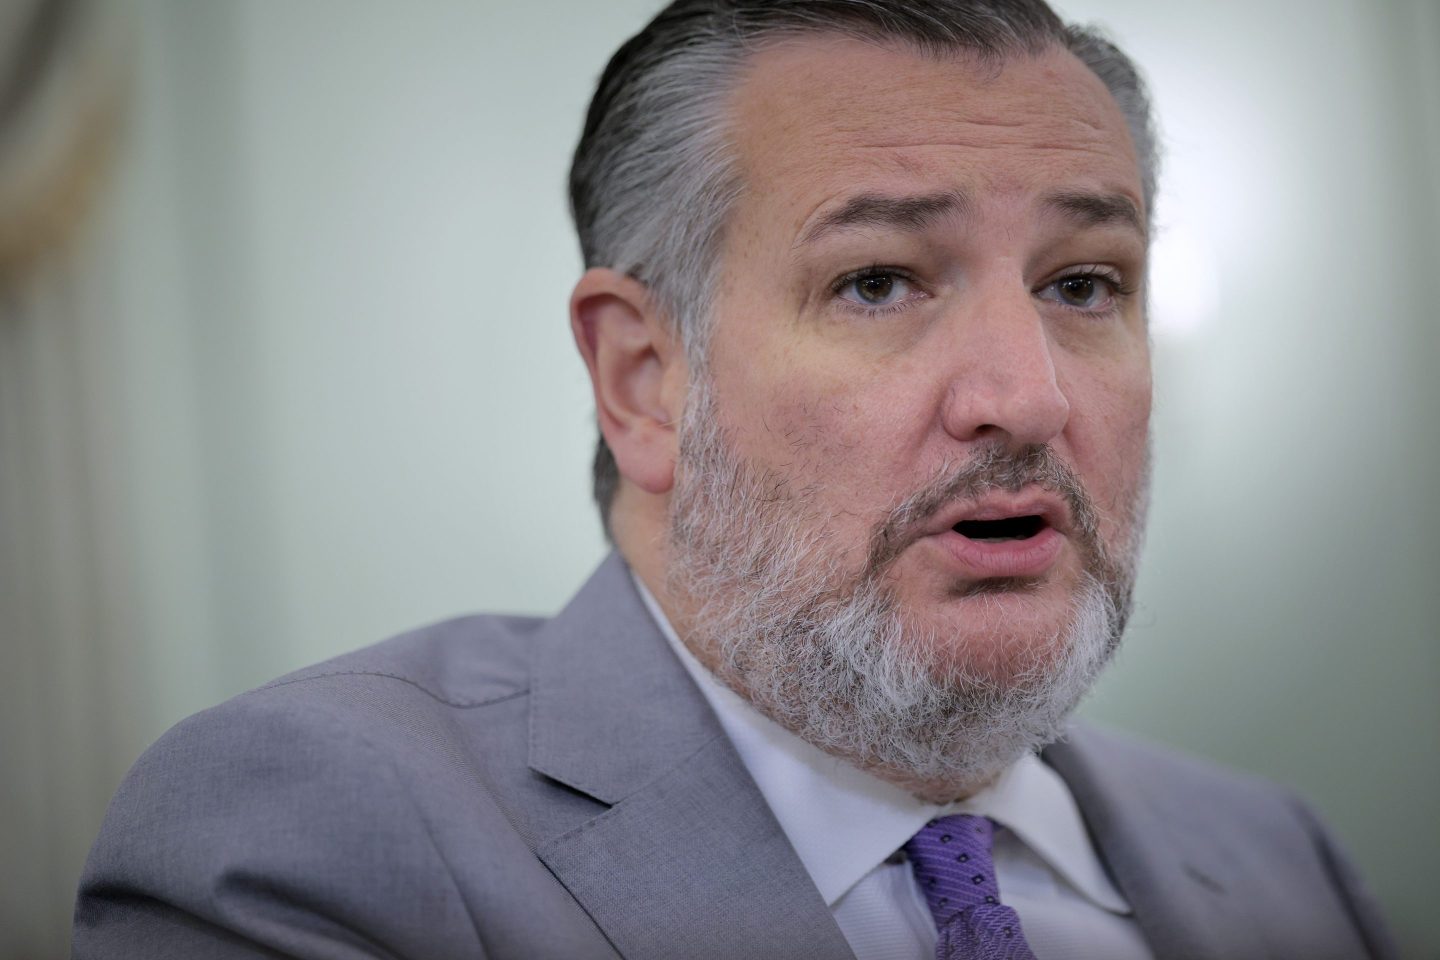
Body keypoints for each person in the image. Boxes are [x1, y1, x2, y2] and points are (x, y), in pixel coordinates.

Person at [73, 1, 1398, 958]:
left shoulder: (1285, 862)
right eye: (878, 281)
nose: (1030, 395)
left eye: (1085, 284)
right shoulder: (313, 832)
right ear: (646, 379)